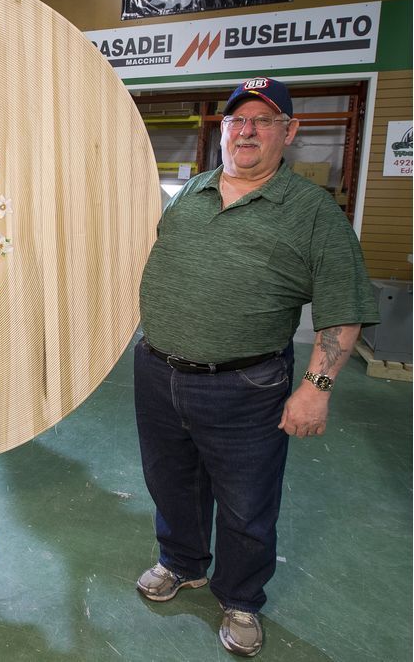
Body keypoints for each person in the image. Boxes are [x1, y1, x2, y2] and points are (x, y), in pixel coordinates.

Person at [133, 77, 379, 657]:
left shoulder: (312, 212)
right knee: (171, 482)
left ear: (288, 132)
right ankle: (182, 563)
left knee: (246, 501)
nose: (246, 131)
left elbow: (342, 308)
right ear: (223, 130)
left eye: (263, 121)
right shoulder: (190, 192)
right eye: (236, 120)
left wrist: (316, 387)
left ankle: (241, 597)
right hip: (157, 371)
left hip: (246, 383)